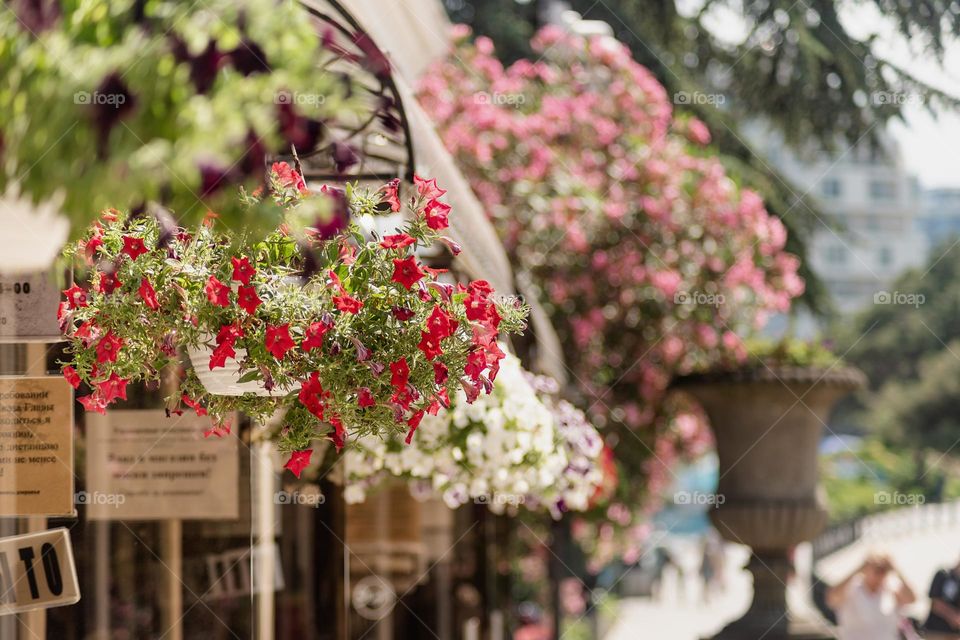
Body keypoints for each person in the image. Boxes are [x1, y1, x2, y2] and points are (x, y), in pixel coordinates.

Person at [825, 551, 917, 640]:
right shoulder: (851, 587)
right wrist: (858, 569)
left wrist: (895, 568)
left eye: (884, 570)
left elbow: (912, 599)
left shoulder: (891, 588)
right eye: (877, 569)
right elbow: (831, 596)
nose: (880, 574)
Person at [924, 557, 960, 640]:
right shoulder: (943, 574)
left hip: (954, 635)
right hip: (935, 632)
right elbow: (935, 604)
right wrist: (954, 617)